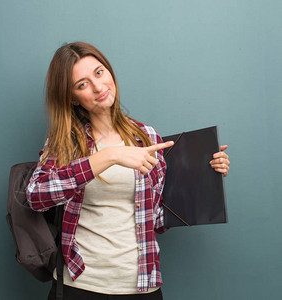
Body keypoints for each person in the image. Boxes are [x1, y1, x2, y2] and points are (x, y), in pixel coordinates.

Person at [26, 42, 230, 300]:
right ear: (71, 97)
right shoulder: (65, 141)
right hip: (80, 284)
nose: (99, 87)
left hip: (142, 285)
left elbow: (156, 219)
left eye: (99, 73)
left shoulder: (146, 137)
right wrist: (109, 156)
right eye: (82, 84)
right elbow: (35, 196)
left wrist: (204, 176)